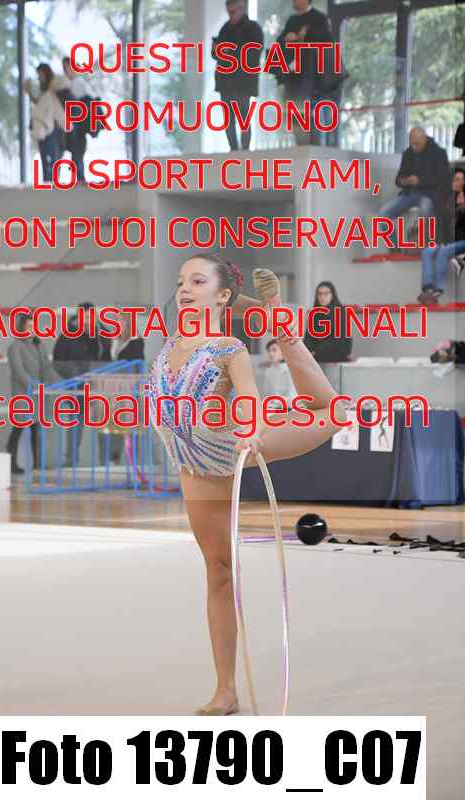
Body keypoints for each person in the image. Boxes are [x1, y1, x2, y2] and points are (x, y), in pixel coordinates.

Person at [148, 258, 347, 715]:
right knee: (218, 570)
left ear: (220, 296)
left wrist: (253, 429)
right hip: (193, 465)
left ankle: (284, 327)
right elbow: (226, 302)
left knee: (335, 412)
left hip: (235, 445)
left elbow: (248, 397)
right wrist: (248, 301)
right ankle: (226, 690)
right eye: (180, 282)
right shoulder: (171, 342)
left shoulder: (229, 348)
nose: (184, 288)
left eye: (197, 281)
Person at [274, 0, 342, 146]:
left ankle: (317, 146)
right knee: (297, 116)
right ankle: (302, 146)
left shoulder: (319, 18)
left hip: (316, 79)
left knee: (316, 117)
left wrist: (303, 37)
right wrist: (291, 38)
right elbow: (280, 41)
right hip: (296, 78)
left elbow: (326, 41)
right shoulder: (292, 20)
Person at [53, 302, 107, 467]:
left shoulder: (104, 334)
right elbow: (58, 362)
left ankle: (106, 461)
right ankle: (71, 459)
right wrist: (74, 375)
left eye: (91, 317)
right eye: (85, 317)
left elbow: (110, 357)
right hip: (77, 387)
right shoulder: (67, 336)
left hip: (100, 386)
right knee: (76, 421)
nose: (88, 321)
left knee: (103, 422)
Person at [379, 127, 451, 248]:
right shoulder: (408, 154)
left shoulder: (439, 153)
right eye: (412, 143)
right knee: (383, 214)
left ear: (425, 139)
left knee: (425, 211)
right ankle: (395, 248)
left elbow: (444, 180)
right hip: (409, 193)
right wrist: (403, 181)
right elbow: (398, 178)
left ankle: (426, 248)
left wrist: (420, 181)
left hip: (429, 194)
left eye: (417, 144)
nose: (414, 147)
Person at [6, 313, 58, 474]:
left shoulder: (40, 345)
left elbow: (47, 367)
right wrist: (36, 386)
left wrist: (52, 383)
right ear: (21, 328)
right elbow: (19, 372)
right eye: (29, 326)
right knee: (19, 427)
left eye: (34, 326)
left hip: (39, 394)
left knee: (37, 429)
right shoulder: (15, 347)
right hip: (23, 394)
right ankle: (11, 462)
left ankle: (38, 462)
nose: (32, 329)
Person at [212, 0, 264, 151]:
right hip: (225, 81)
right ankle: (233, 150)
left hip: (243, 82)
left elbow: (252, 53)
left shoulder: (253, 29)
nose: (231, 15)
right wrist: (227, 52)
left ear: (241, 9)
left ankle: (245, 151)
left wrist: (228, 52)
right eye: (229, 12)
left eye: (233, 12)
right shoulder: (225, 28)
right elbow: (216, 53)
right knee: (228, 120)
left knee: (243, 119)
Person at [418, 168, 465, 304]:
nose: (460, 182)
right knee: (427, 251)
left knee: (443, 251)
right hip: (447, 240)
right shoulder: (445, 200)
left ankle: (439, 290)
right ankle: (428, 289)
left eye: (462, 179)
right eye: (456, 179)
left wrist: (463, 209)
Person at [98, 313, 146, 467]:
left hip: (129, 389)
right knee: (113, 424)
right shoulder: (111, 341)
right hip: (111, 389)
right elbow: (103, 362)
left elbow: (134, 362)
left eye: (122, 322)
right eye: (117, 322)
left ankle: (133, 461)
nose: (118, 325)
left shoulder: (136, 341)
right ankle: (113, 459)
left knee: (130, 425)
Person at [24, 63, 65, 181]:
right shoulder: (44, 89)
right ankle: (47, 180)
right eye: (38, 74)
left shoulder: (54, 87)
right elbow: (40, 104)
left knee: (53, 155)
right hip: (43, 127)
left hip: (53, 127)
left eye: (40, 74)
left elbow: (55, 107)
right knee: (44, 155)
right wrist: (29, 93)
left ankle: (53, 180)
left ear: (46, 73)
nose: (39, 77)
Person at [303, 281, 353, 363]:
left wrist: (316, 351)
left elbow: (339, 339)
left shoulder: (341, 312)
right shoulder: (315, 314)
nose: (322, 297)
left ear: (332, 295)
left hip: (336, 356)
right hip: (316, 357)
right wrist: (308, 351)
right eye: (320, 294)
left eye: (326, 294)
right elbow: (308, 337)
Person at [61, 56, 91, 181]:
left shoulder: (81, 84)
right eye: (63, 68)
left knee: (77, 157)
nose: (64, 70)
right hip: (68, 126)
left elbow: (90, 105)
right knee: (74, 157)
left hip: (78, 127)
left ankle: (80, 182)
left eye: (66, 67)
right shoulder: (64, 85)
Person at [259, 339, 297, 409]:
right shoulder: (268, 372)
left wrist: (276, 402)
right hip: (272, 407)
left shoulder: (289, 370)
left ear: (283, 352)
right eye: (269, 351)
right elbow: (266, 395)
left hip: (288, 408)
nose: (270, 353)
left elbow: (292, 396)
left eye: (274, 350)